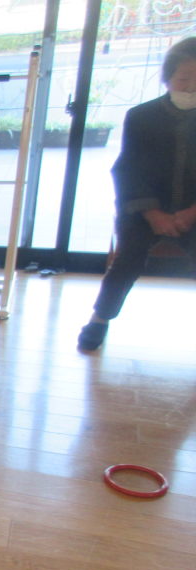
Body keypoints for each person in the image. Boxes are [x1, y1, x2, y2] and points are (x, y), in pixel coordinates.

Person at [78, 36, 196, 351]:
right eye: (184, 79)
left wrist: (190, 213)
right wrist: (153, 213)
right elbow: (128, 169)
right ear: (168, 78)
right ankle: (100, 318)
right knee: (128, 258)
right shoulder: (142, 116)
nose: (191, 88)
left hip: (194, 211)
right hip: (143, 210)